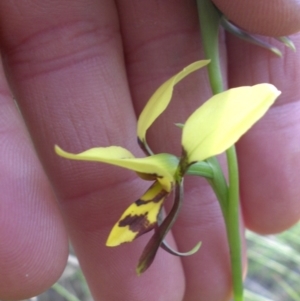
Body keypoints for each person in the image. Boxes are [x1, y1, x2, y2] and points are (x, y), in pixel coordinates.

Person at [0, 1, 299, 300]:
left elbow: (255, 99)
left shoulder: (189, 150)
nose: (151, 182)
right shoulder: (183, 156)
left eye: (154, 176)